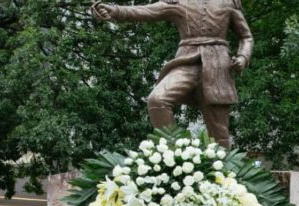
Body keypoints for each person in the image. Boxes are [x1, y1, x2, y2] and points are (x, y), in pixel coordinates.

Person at [91, 0, 253, 148]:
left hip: (218, 66)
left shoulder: (228, 2)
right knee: (158, 99)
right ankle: (173, 157)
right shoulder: (179, 1)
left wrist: (243, 57)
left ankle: (223, 175)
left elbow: (246, 37)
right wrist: (114, 10)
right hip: (186, 62)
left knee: (219, 131)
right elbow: (147, 11)